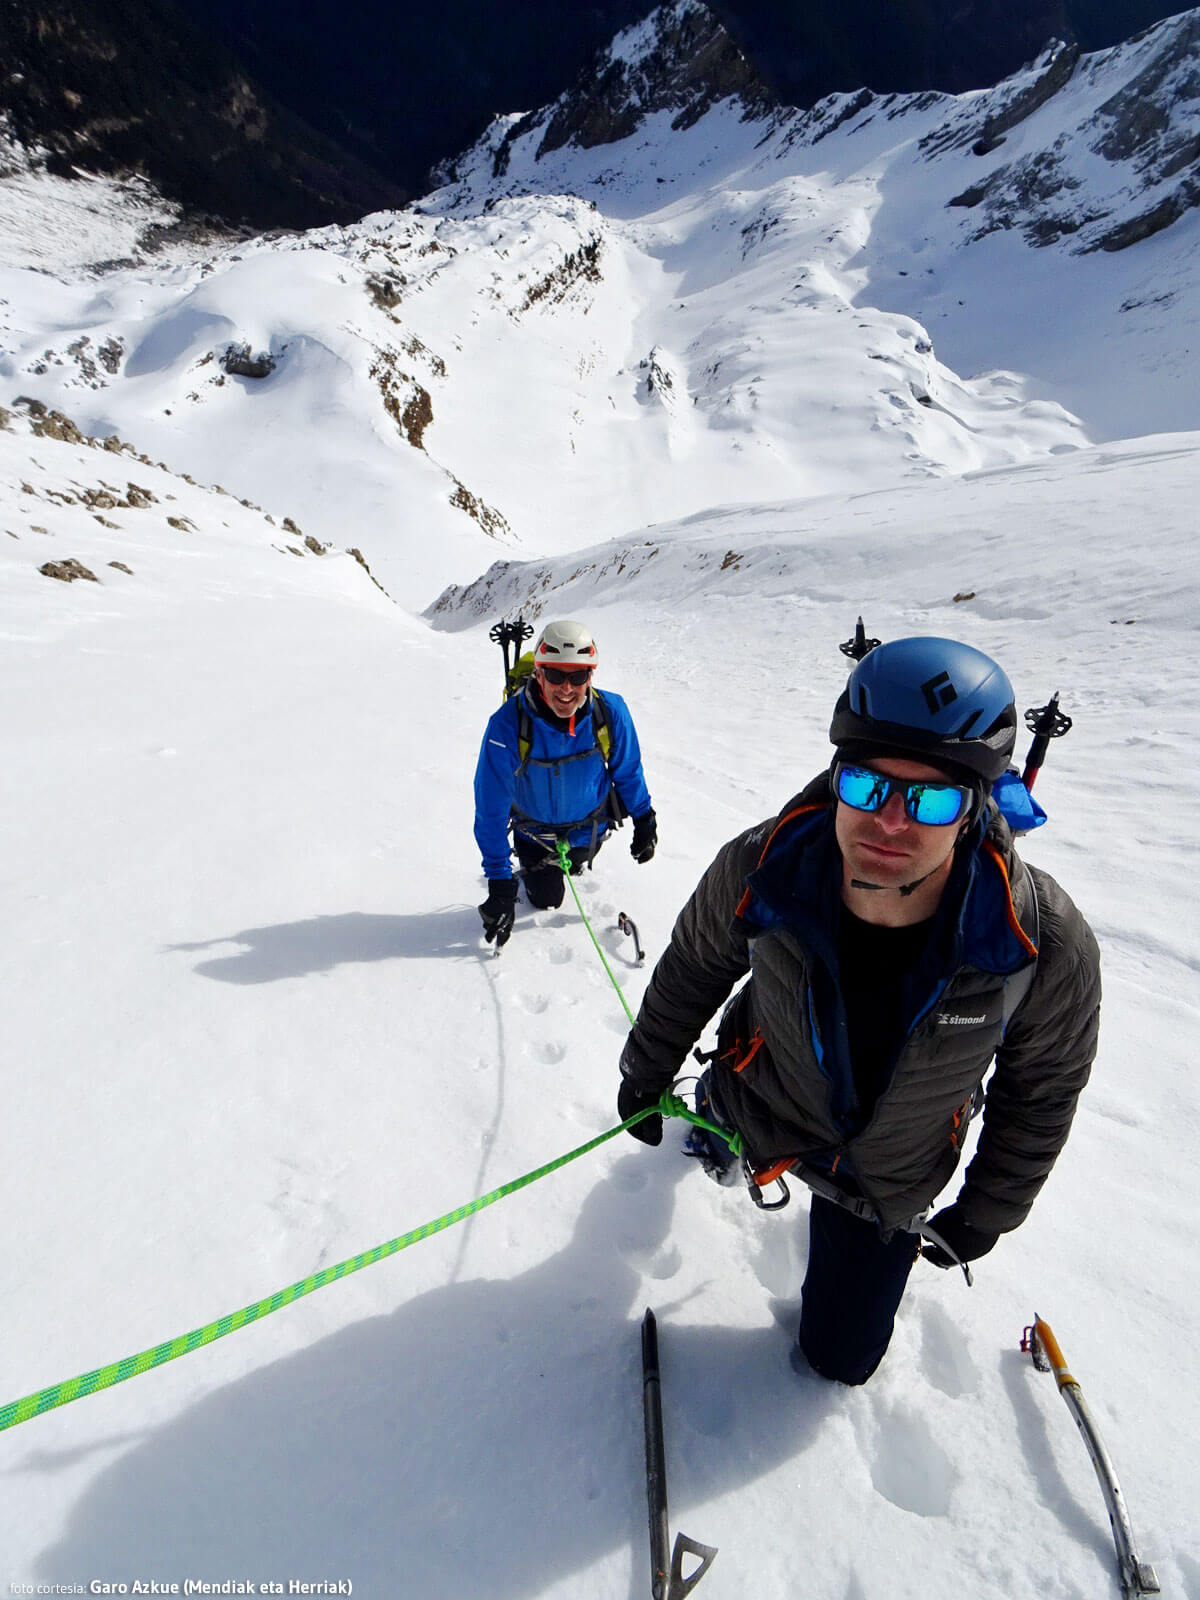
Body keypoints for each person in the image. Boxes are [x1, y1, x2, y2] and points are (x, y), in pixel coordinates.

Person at [616, 636, 1100, 1386]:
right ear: (837, 776)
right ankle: (715, 1126)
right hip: (762, 1099)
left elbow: (1043, 1087)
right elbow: (695, 966)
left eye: (933, 797)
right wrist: (647, 1069)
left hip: (885, 1180)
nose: (890, 822)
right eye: (867, 785)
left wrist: (988, 1210)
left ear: (974, 810)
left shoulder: (1040, 942)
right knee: (727, 1122)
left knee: (841, 1361)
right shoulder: (763, 867)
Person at [475, 619, 657, 947]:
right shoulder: (507, 725)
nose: (566, 688)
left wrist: (645, 818)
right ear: (539, 674)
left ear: (591, 676)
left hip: (589, 829)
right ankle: (538, 868)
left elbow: (628, 771)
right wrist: (500, 883)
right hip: (535, 834)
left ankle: (573, 860)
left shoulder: (610, 712)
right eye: (556, 676)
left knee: (575, 864)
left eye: (578, 676)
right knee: (547, 899)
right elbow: (491, 808)